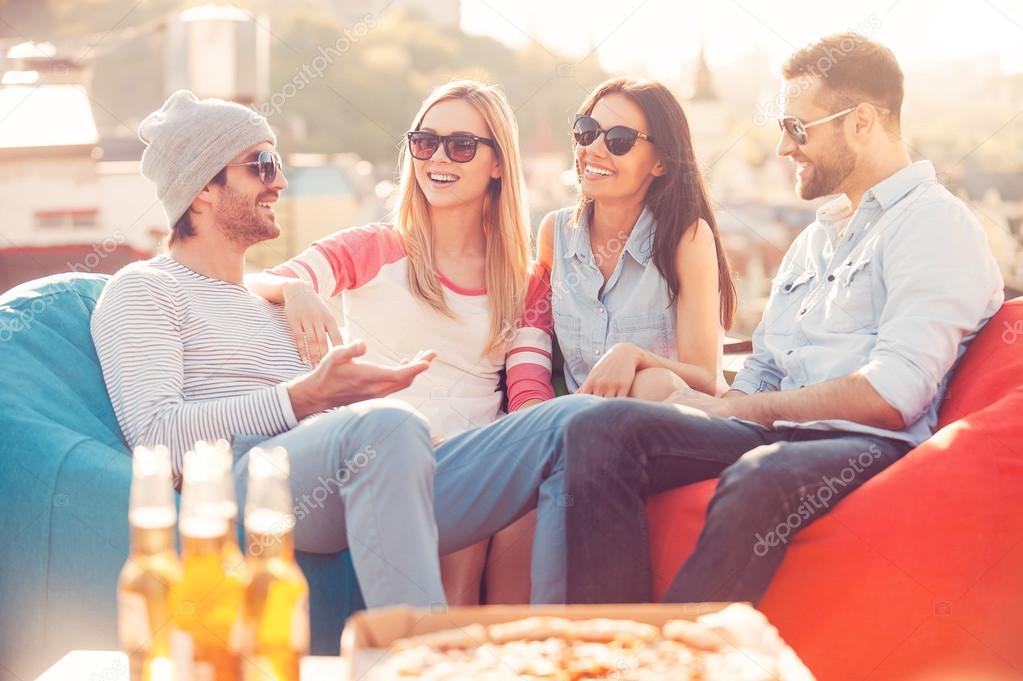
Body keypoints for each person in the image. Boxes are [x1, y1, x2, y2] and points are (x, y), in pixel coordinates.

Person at [91, 90, 597, 610]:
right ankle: (411, 651)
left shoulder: (272, 305)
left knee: (567, 431)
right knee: (392, 423)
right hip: (245, 473)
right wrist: (307, 398)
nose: (280, 182)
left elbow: (333, 424)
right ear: (201, 190)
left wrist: (361, 407)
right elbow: (155, 437)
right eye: (262, 166)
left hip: (341, 467)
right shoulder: (144, 288)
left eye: (278, 164)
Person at [559, 34, 1005, 604]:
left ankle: (681, 656)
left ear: (862, 121)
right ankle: (612, 643)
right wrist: (709, 405)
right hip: (767, 429)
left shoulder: (932, 224)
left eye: (798, 128)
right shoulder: (814, 240)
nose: (783, 149)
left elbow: (896, 393)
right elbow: (764, 367)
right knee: (597, 429)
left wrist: (742, 408)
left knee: (760, 477)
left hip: (860, 443)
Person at [245, 80, 555, 606]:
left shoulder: (526, 280)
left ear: (498, 163)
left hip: (475, 461)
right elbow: (246, 284)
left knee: (513, 503)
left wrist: (519, 455)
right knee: (459, 525)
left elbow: (529, 391)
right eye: (424, 141)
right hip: (385, 456)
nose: (438, 157)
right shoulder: (372, 248)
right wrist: (294, 287)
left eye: (461, 146)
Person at [540, 77, 736, 402]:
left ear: (660, 162)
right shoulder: (554, 233)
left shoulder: (687, 238)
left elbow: (704, 377)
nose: (593, 150)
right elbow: (534, 341)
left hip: (665, 429)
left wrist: (634, 356)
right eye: (587, 132)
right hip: (579, 429)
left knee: (653, 383)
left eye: (619, 140)